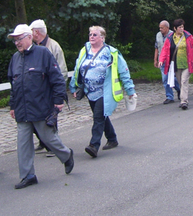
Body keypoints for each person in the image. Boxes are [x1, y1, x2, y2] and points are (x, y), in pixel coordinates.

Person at [7, 24, 74, 189]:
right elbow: (13, 84)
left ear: (29, 37)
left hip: (40, 107)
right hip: (22, 109)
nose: (17, 42)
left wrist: (59, 100)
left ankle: (66, 156)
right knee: (23, 144)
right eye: (15, 40)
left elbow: (56, 78)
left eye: (19, 38)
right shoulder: (15, 58)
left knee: (49, 138)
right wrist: (13, 105)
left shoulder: (43, 53)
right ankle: (28, 175)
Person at [69, 26, 136, 158]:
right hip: (89, 91)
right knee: (101, 116)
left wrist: (130, 90)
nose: (91, 37)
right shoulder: (85, 50)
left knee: (98, 117)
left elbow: (123, 71)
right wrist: (74, 87)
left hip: (104, 91)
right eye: (90, 34)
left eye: (95, 34)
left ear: (102, 38)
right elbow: (77, 69)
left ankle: (94, 145)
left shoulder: (111, 53)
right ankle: (112, 138)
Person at [29, 19, 68, 157]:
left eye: (31, 31)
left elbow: (62, 70)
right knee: (37, 117)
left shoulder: (54, 46)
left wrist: (58, 91)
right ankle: (43, 141)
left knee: (51, 118)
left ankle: (53, 147)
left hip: (51, 90)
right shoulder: (33, 47)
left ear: (37, 32)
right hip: (38, 91)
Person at [158, 19, 193, 110]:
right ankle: (183, 98)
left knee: (184, 81)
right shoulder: (170, 37)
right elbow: (165, 50)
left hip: (187, 64)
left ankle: (183, 101)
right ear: (175, 28)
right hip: (176, 65)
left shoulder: (188, 36)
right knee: (180, 82)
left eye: (182, 27)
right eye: (179, 27)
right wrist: (161, 60)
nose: (182, 29)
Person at [154, 20, 180, 104]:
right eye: (159, 28)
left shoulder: (173, 35)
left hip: (171, 60)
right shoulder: (158, 35)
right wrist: (155, 59)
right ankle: (169, 96)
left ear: (167, 28)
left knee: (172, 78)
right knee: (165, 78)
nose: (160, 29)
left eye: (162, 28)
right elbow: (157, 47)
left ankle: (179, 89)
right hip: (162, 61)